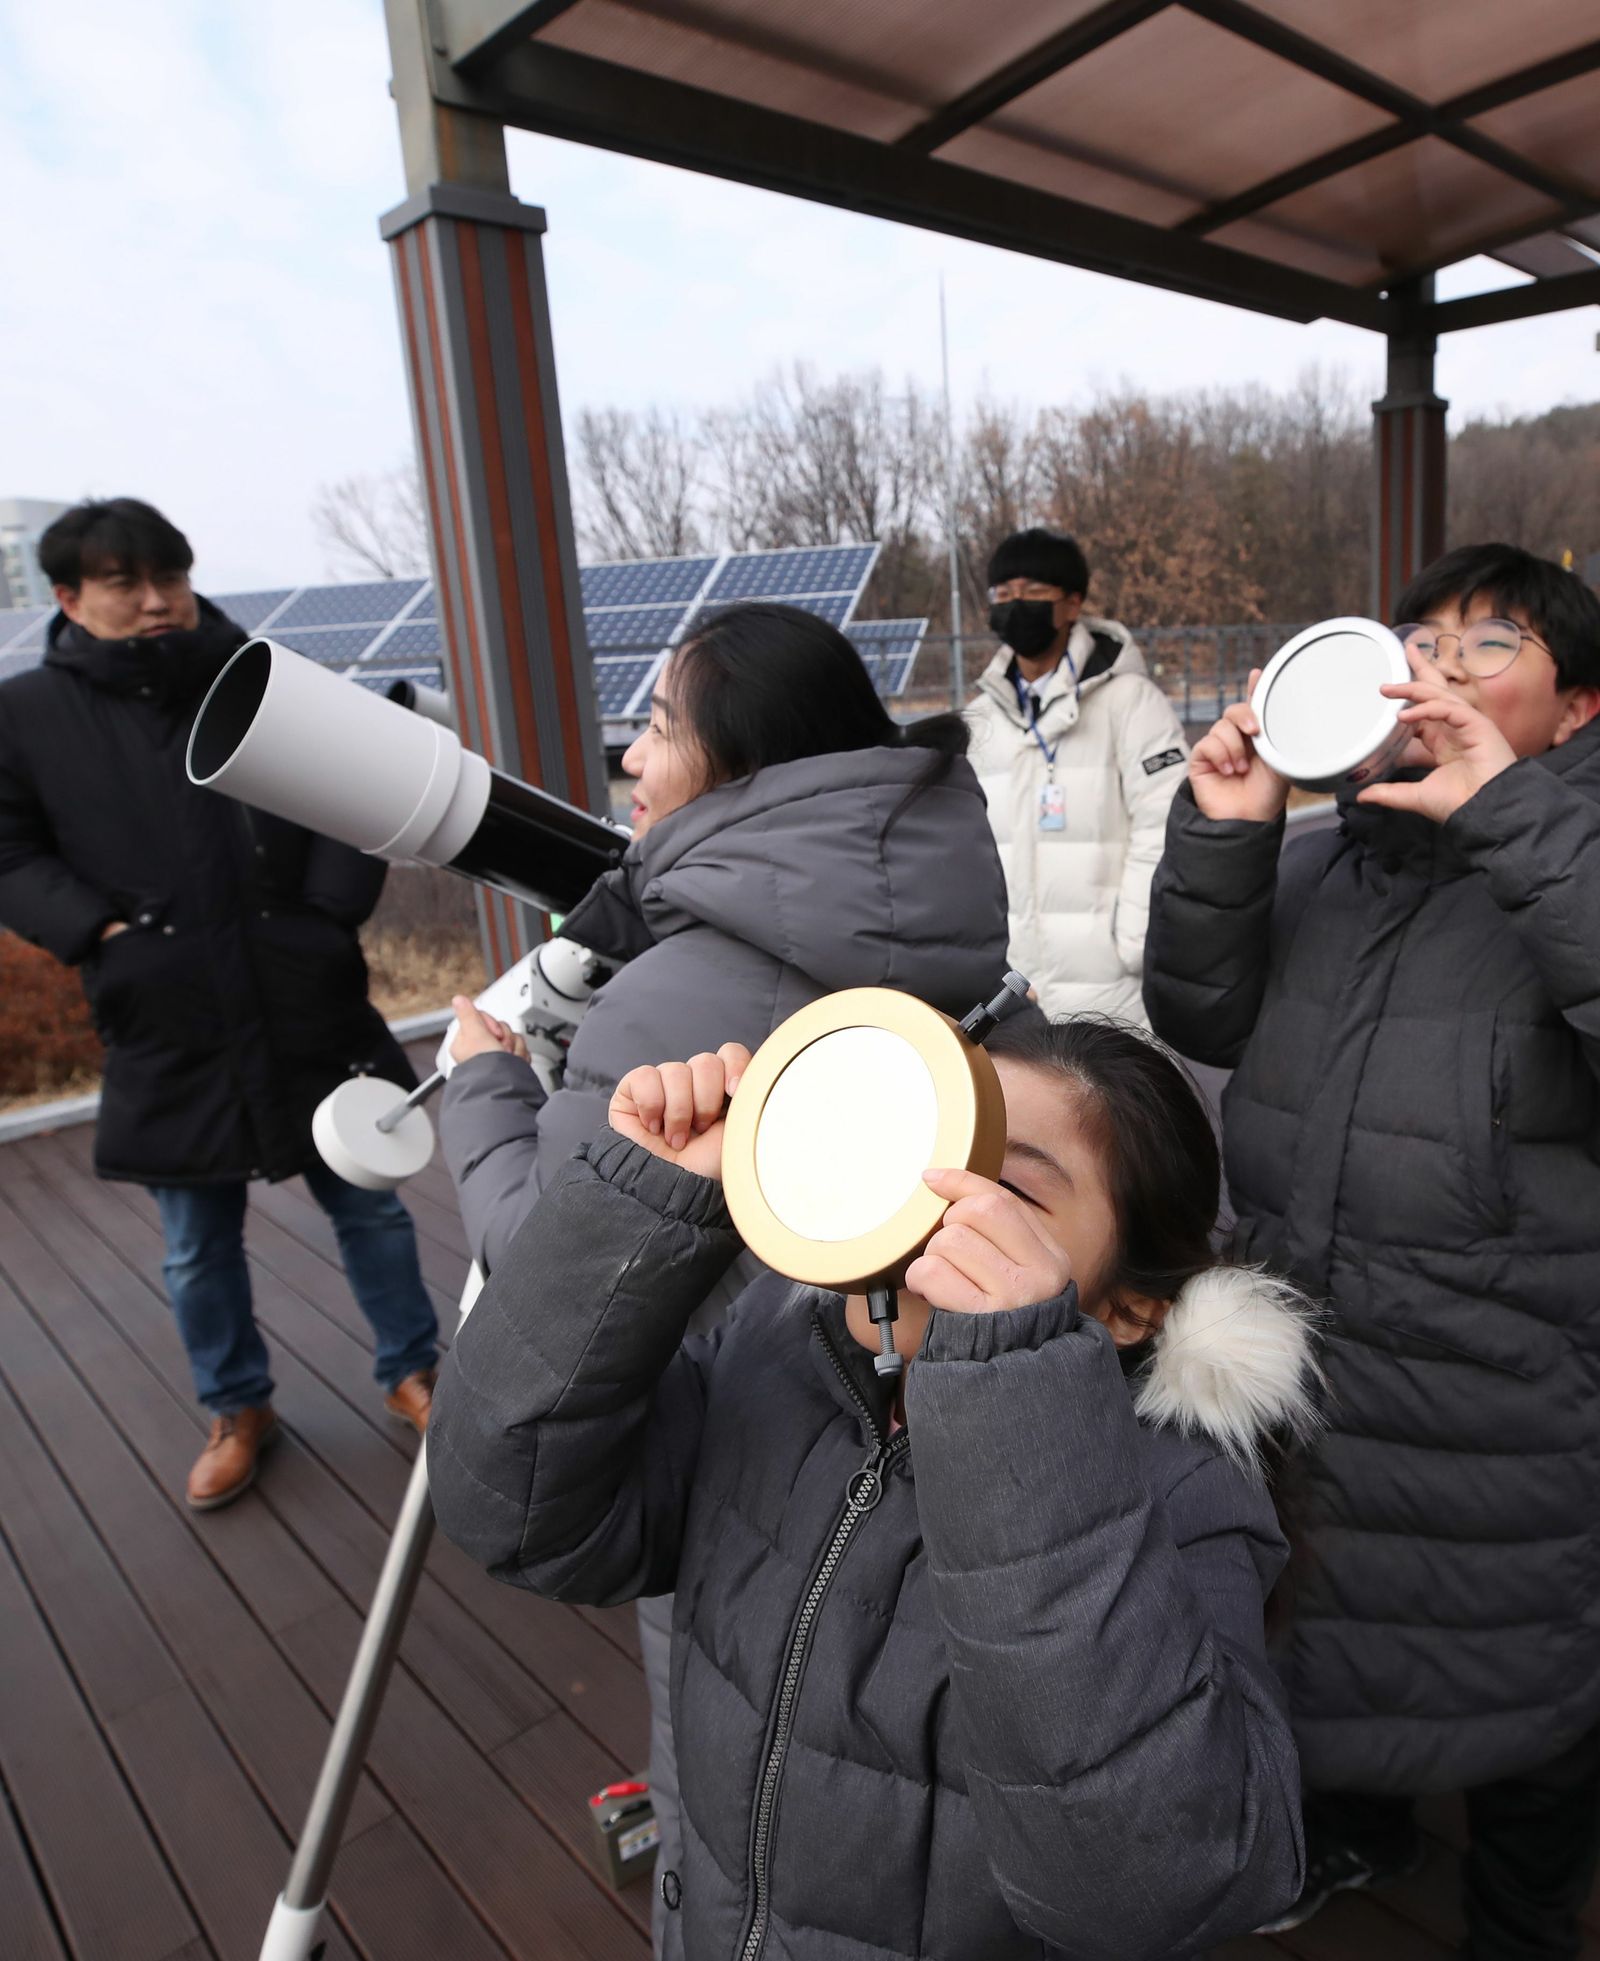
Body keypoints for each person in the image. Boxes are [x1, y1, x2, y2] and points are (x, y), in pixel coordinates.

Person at [427, 1014, 1315, 1958]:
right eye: (926, 1145)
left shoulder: (1180, 1494)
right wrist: (645, 1197)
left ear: (1129, 1309)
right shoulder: (782, 1341)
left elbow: (1165, 1882)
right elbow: (518, 1515)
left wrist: (1014, 1396)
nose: (924, 1206)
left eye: (1001, 1190)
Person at [438, 598, 1010, 1951]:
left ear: (738, 759)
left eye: (654, 724)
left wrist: (482, 1093)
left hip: (725, 1430)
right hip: (882, 1400)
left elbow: (548, 1268)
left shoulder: (692, 989)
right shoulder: (927, 895)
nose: (631, 761)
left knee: (735, 1740)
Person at [1142, 544, 1600, 1956]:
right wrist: (1224, 829)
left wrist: (1514, 822)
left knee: (1521, 1658)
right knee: (1322, 1613)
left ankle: (1522, 1914)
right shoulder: (1329, 859)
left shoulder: (1571, 859)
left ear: (1577, 712)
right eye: (1423, 636)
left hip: (1507, 1377)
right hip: (1314, 1339)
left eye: (1490, 644)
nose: (1438, 667)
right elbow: (1199, 1018)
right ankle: (1360, 1822)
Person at [0, 498, 439, 1510]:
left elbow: (358, 791)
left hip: (305, 997)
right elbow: (8, 851)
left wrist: (327, 916)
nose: (156, 600)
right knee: (196, 1243)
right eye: (125, 582)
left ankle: (413, 1372)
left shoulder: (270, 678)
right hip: (167, 1015)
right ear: (68, 597)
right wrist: (100, 933)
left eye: (172, 576)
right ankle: (238, 1407)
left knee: (369, 1203)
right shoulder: (24, 715)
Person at [965, 526, 1188, 1023]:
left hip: (1111, 982)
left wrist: (1131, 942)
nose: (1015, 604)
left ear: (1072, 604)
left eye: (1033, 592)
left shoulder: (1130, 702)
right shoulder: (979, 718)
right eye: (1004, 594)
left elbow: (1166, 823)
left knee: (1125, 1099)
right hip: (1013, 985)